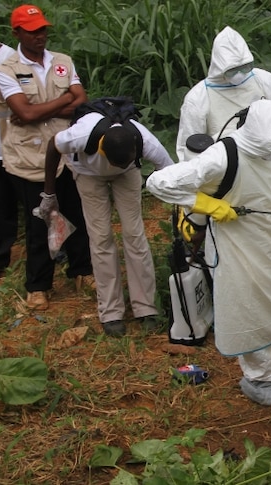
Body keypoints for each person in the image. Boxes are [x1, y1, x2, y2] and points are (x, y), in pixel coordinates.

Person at [146, 99, 271, 406]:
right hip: (236, 244)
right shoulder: (221, 155)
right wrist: (209, 205)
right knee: (250, 307)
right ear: (253, 135)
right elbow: (159, 182)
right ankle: (258, 377)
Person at [39, 106, 174, 337]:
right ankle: (111, 312)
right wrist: (49, 194)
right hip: (89, 174)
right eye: (116, 163)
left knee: (135, 235)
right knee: (100, 237)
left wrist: (178, 204)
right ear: (102, 149)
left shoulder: (144, 140)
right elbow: (53, 145)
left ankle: (146, 308)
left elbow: (171, 171)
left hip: (129, 175)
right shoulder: (81, 135)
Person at [0, 5, 93, 310]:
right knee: (41, 219)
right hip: (29, 156)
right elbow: (24, 112)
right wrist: (65, 99)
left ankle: (82, 271)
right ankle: (38, 285)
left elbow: (81, 103)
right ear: (17, 33)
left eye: (43, 29)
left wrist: (46, 108)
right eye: (32, 30)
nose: (40, 35)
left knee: (77, 214)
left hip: (67, 153)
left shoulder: (62, 61)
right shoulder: (5, 69)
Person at [175, 25, 271, 162]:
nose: (239, 74)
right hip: (223, 164)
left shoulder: (266, 82)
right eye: (232, 70)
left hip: (268, 159)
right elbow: (190, 147)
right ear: (219, 66)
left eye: (244, 67)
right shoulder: (198, 97)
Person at [0, 39, 18, 278]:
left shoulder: (10, 59)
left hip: (13, 146)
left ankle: (56, 250)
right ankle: (1, 258)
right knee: (1, 207)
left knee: (34, 202)